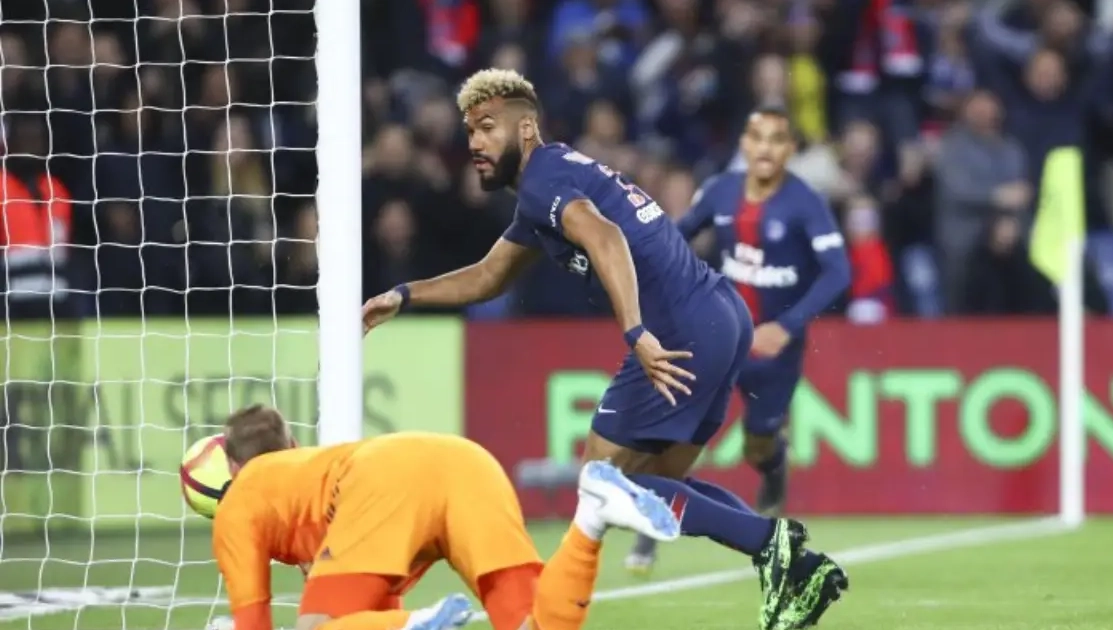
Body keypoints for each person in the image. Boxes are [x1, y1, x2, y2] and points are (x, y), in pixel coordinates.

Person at [361, 68, 848, 629]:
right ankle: (795, 566)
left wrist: (636, 332)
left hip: (679, 328)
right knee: (654, 482)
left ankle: (771, 541)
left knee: (602, 479)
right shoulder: (550, 184)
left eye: (488, 127)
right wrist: (405, 294)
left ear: (526, 129)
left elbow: (606, 237)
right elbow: (489, 276)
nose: (475, 142)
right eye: (470, 130)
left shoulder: (544, 181)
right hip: (720, 314)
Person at [208, 404, 681, 630]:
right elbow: (372, 609)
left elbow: (254, 624)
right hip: (466, 460)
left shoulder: (238, 503)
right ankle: (591, 520)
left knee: (313, 629)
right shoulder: (314, 472)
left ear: (231, 467)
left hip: (387, 478)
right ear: (292, 444)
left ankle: (419, 625)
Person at [626, 106, 851, 573]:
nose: (765, 148)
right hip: (718, 336)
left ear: (790, 149)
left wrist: (786, 326)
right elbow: (675, 238)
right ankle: (649, 531)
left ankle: (773, 468)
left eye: (776, 139)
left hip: (773, 351)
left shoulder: (806, 203)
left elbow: (837, 272)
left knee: (758, 444)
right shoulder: (720, 191)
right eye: (756, 137)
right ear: (744, 145)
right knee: (678, 439)